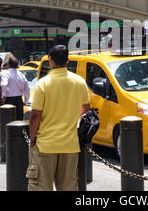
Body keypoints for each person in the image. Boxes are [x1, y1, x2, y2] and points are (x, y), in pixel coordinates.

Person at [27, 45, 90, 191]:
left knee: (41, 186)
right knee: (68, 187)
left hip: (45, 144)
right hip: (70, 144)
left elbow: (35, 115)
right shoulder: (79, 81)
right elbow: (86, 109)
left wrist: (32, 138)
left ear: (50, 60)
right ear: (67, 61)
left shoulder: (43, 83)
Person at [0, 56, 30, 120]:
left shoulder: (6, 74)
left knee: (9, 121)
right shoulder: (21, 75)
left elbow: (4, 84)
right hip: (19, 100)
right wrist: (26, 101)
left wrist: (4, 97)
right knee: (19, 121)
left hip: (9, 100)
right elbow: (27, 88)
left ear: (8, 64)